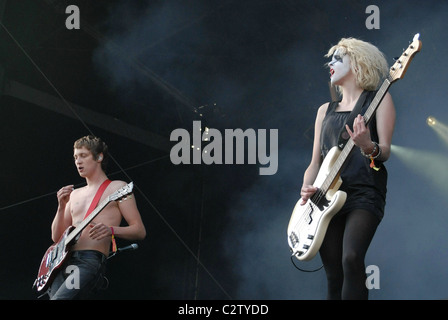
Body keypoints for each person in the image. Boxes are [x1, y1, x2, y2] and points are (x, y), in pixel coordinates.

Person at [300, 38, 395, 299]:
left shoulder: (379, 101)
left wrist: (367, 145)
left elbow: (384, 152)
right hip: (325, 196)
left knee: (351, 258)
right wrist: (306, 191)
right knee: (333, 272)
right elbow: (315, 163)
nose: (330, 63)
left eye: (338, 59)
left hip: (364, 191)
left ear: (358, 63)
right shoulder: (324, 110)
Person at [47, 135, 146, 299]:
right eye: (75, 157)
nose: (78, 161)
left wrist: (111, 230)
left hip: (88, 260)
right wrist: (61, 206)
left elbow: (139, 230)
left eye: (83, 156)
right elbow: (57, 237)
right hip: (63, 261)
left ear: (99, 157)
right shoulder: (74, 194)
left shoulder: (118, 187)